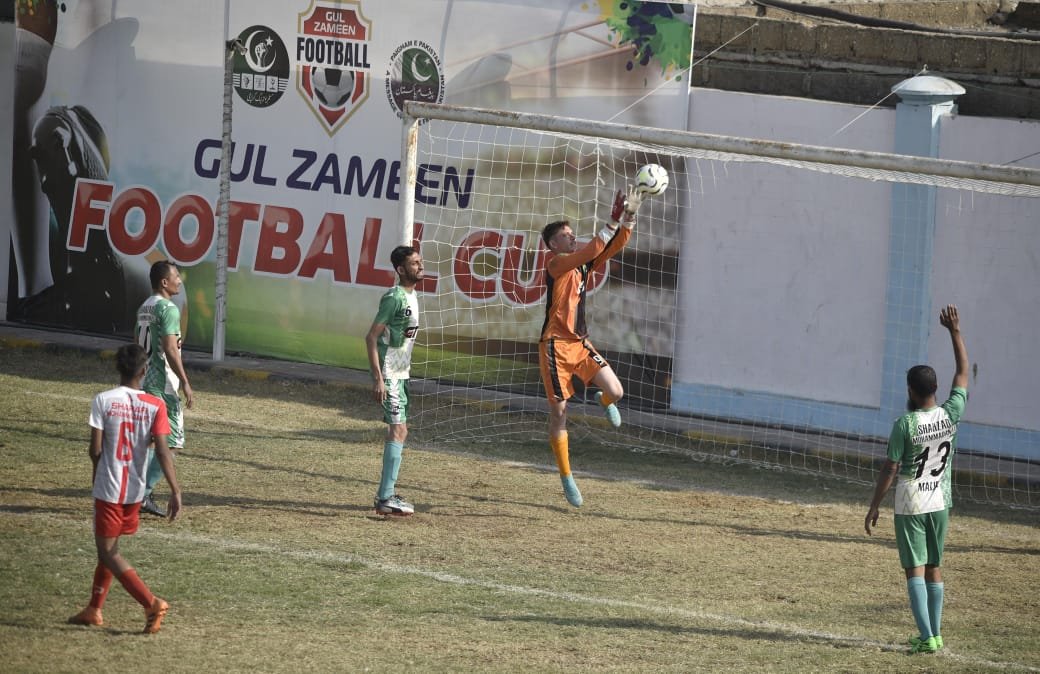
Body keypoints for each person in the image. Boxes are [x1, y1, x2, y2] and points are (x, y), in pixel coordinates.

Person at [865, 304, 969, 654]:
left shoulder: (904, 424)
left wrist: (874, 505)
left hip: (911, 500)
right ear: (936, 388)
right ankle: (934, 634)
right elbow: (963, 374)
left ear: (911, 390)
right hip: (940, 499)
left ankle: (927, 637)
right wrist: (954, 331)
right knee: (935, 567)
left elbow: (891, 468)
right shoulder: (951, 413)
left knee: (914, 569)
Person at [538, 186, 644, 507]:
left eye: (572, 234)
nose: (572, 238)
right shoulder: (556, 264)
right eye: (567, 235)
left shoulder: (580, 264)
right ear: (554, 244)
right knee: (559, 414)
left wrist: (628, 217)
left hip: (581, 344)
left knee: (618, 391)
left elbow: (613, 246)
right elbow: (591, 249)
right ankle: (567, 477)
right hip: (555, 347)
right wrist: (611, 219)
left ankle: (602, 399)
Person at [68, 343, 182, 633]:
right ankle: (94, 609)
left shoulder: (103, 400)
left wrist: (97, 473)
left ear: (118, 368)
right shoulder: (155, 405)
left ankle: (151, 603)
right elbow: (163, 451)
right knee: (109, 549)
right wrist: (175, 490)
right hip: (134, 492)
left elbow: (95, 449)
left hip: (109, 488)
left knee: (108, 552)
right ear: (143, 371)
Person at [365, 245, 424, 515]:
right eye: (414, 263)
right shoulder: (394, 298)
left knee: (401, 430)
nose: (420, 266)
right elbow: (371, 336)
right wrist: (379, 379)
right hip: (390, 374)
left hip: (401, 374)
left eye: (419, 261)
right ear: (401, 270)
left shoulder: (412, 296)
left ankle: (386, 496)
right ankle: (385, 498)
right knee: (398, 430)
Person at [135, 260, 194, 517]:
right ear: (164, 282)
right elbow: (170, 348)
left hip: (147, 379)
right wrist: (186, 381)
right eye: (176, 276)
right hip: (163, 384)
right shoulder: (169, 309)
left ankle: (136, 493)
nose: (179, 280)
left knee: (151, 440)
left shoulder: (144, 307)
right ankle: (141, 493)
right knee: (172, 442)